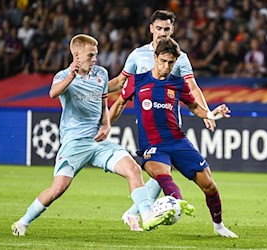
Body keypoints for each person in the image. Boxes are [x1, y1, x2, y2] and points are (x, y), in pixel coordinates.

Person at [11, 34, 174, 236]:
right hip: (74, 143)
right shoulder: (63, 76)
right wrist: (71, 76)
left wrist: (106, 125)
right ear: (76, 55)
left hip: (98, 142)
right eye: (90, 55)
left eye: (96, 54)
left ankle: (147, 216)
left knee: (133, 169)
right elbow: (53, 93)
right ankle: (22, 222)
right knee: (57, 189)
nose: (95, 59)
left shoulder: (101, 74)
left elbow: (103, 103)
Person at [109, 37, 238, 238]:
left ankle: (219, 225)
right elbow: (119, 104)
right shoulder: (137, 80)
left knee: (209, 185)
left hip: (177, 141)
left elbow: (194, 106)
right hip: (152, 145)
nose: (166, 66)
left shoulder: (178, 84)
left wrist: (211, 114)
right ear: (155, 57)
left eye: (171, 63)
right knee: (163, 176)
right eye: (163, 61)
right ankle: (176, 202)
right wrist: (105, 126)